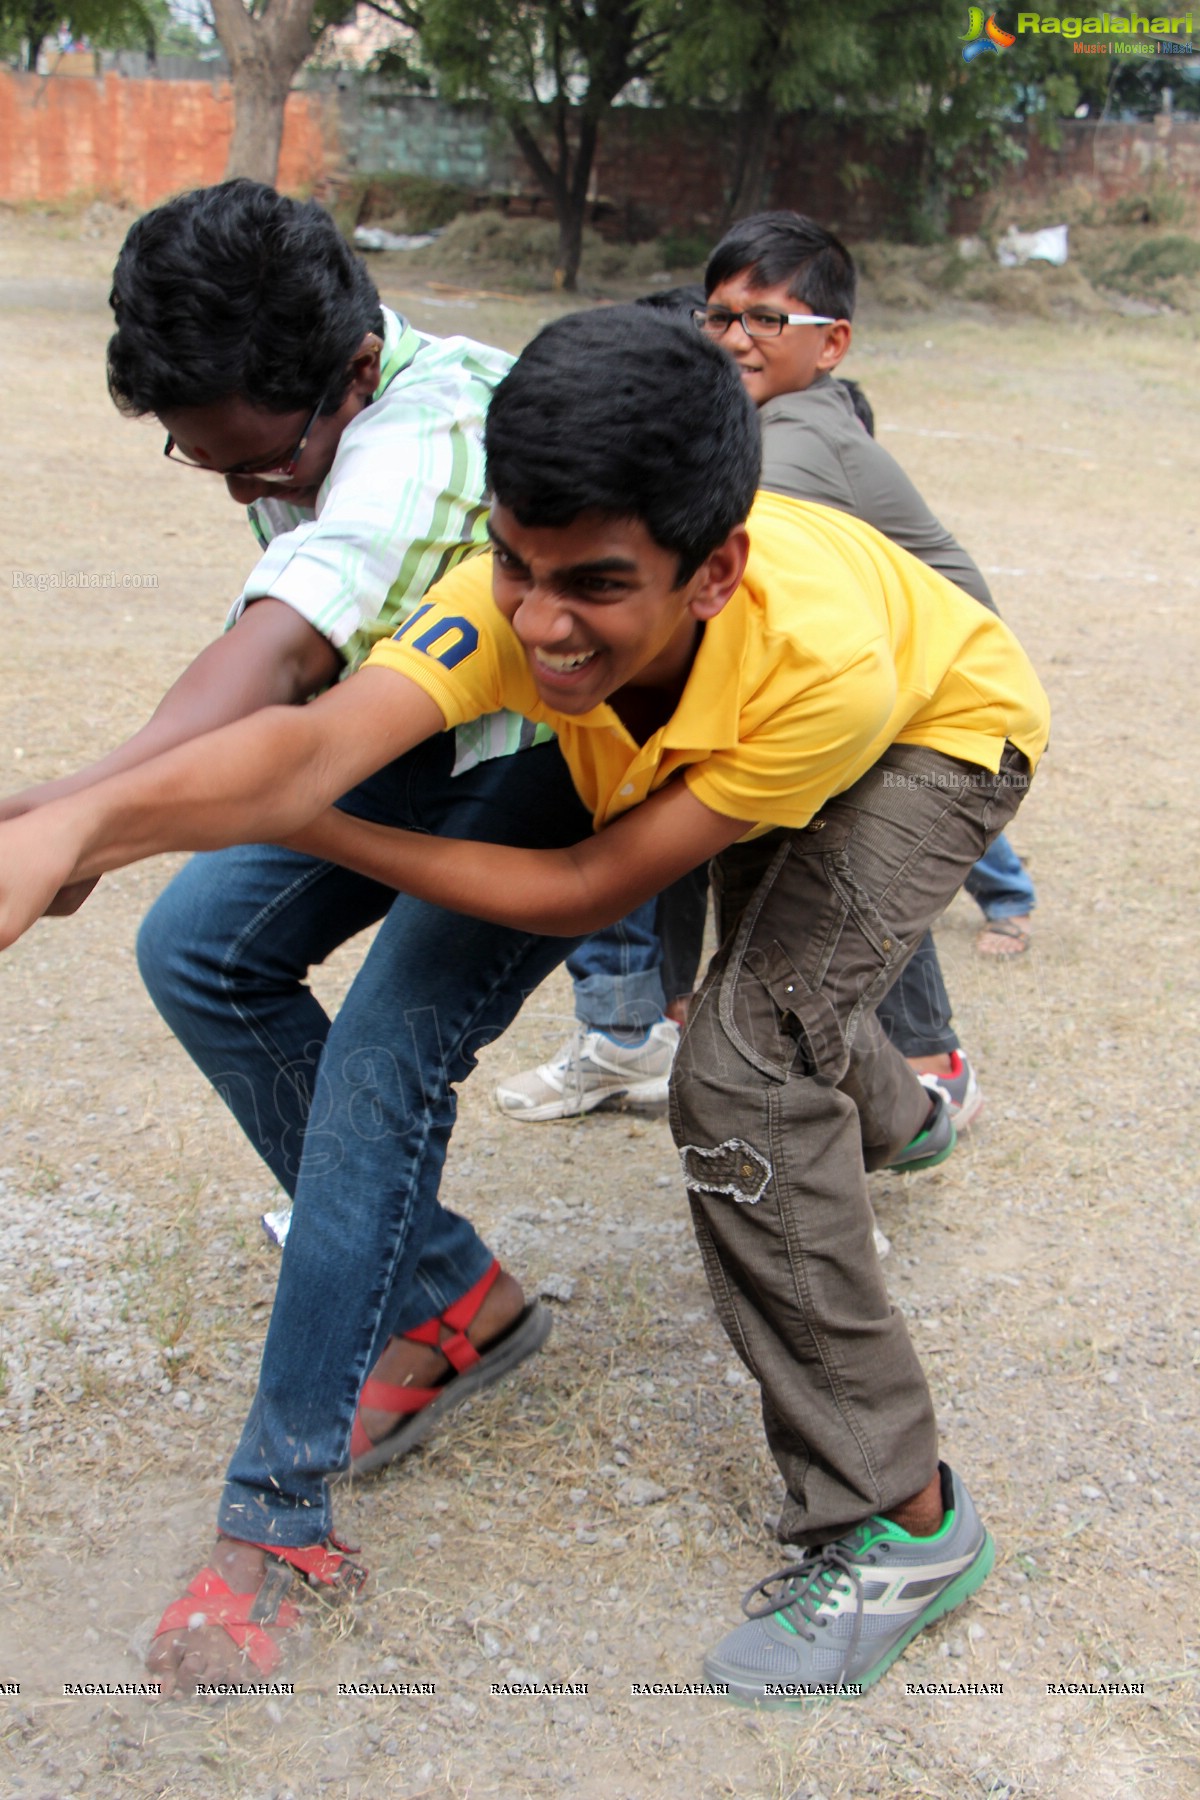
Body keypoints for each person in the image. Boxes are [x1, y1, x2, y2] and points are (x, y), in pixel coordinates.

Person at [0, 305, 1049, 1699]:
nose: (543, 626)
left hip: (927, 741)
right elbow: (312, 743)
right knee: (766, 997)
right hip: (729, 725)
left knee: (737, 1069)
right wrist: (68, 826)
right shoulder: (523, 599)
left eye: (595, 586)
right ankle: (904, 1117)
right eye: (516, 566)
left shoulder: (819, 675)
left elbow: (581, 886)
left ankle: (904, 1520)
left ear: (713, 571)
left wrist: (329, 834)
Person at [0, 181, 600, 1685]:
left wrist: (70, 825)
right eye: (198, 464)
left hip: (557, 756)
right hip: (408, 716)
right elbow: (281, 671)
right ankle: (458, 1295)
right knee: (196, 948)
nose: (239, 492)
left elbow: (278, 645)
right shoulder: (308, 410)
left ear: (347, 378)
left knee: (384, 1067)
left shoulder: (423, 440)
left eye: (258, 465)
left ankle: (276, 1519)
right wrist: (63, 813)